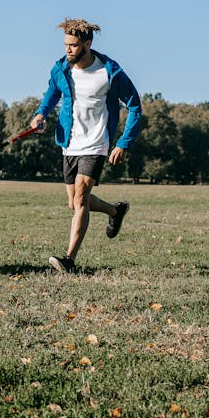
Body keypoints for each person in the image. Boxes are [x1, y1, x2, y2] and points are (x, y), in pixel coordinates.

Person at [30, 18, 143, 273]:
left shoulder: (109, 72)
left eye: (73, 45)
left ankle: (68, 260)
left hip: (96, 143)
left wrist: (123, 142)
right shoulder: (61, 69)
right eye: (65, 45)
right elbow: (52, 94)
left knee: (81, 199)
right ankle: (115, 212)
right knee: (74, 203)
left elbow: (135, 106)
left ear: (87, 44)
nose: (67, 49)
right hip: (69, 143)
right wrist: (40, 114)